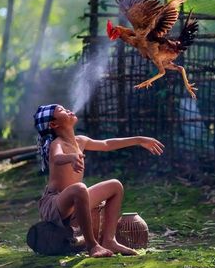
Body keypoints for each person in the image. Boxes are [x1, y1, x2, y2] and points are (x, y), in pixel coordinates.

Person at [34, 104, 165, 257]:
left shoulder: (80, 141)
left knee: (115, 186)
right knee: (80, 188)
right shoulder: (57, 144)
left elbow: (107, 144)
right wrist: (71, 157)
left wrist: (139, 140)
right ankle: (92, 246)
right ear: (54, 124)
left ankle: (109, 240)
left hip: (77, 203)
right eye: (62, 111)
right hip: (56, 204)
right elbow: (56, 158)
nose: (68, 110)